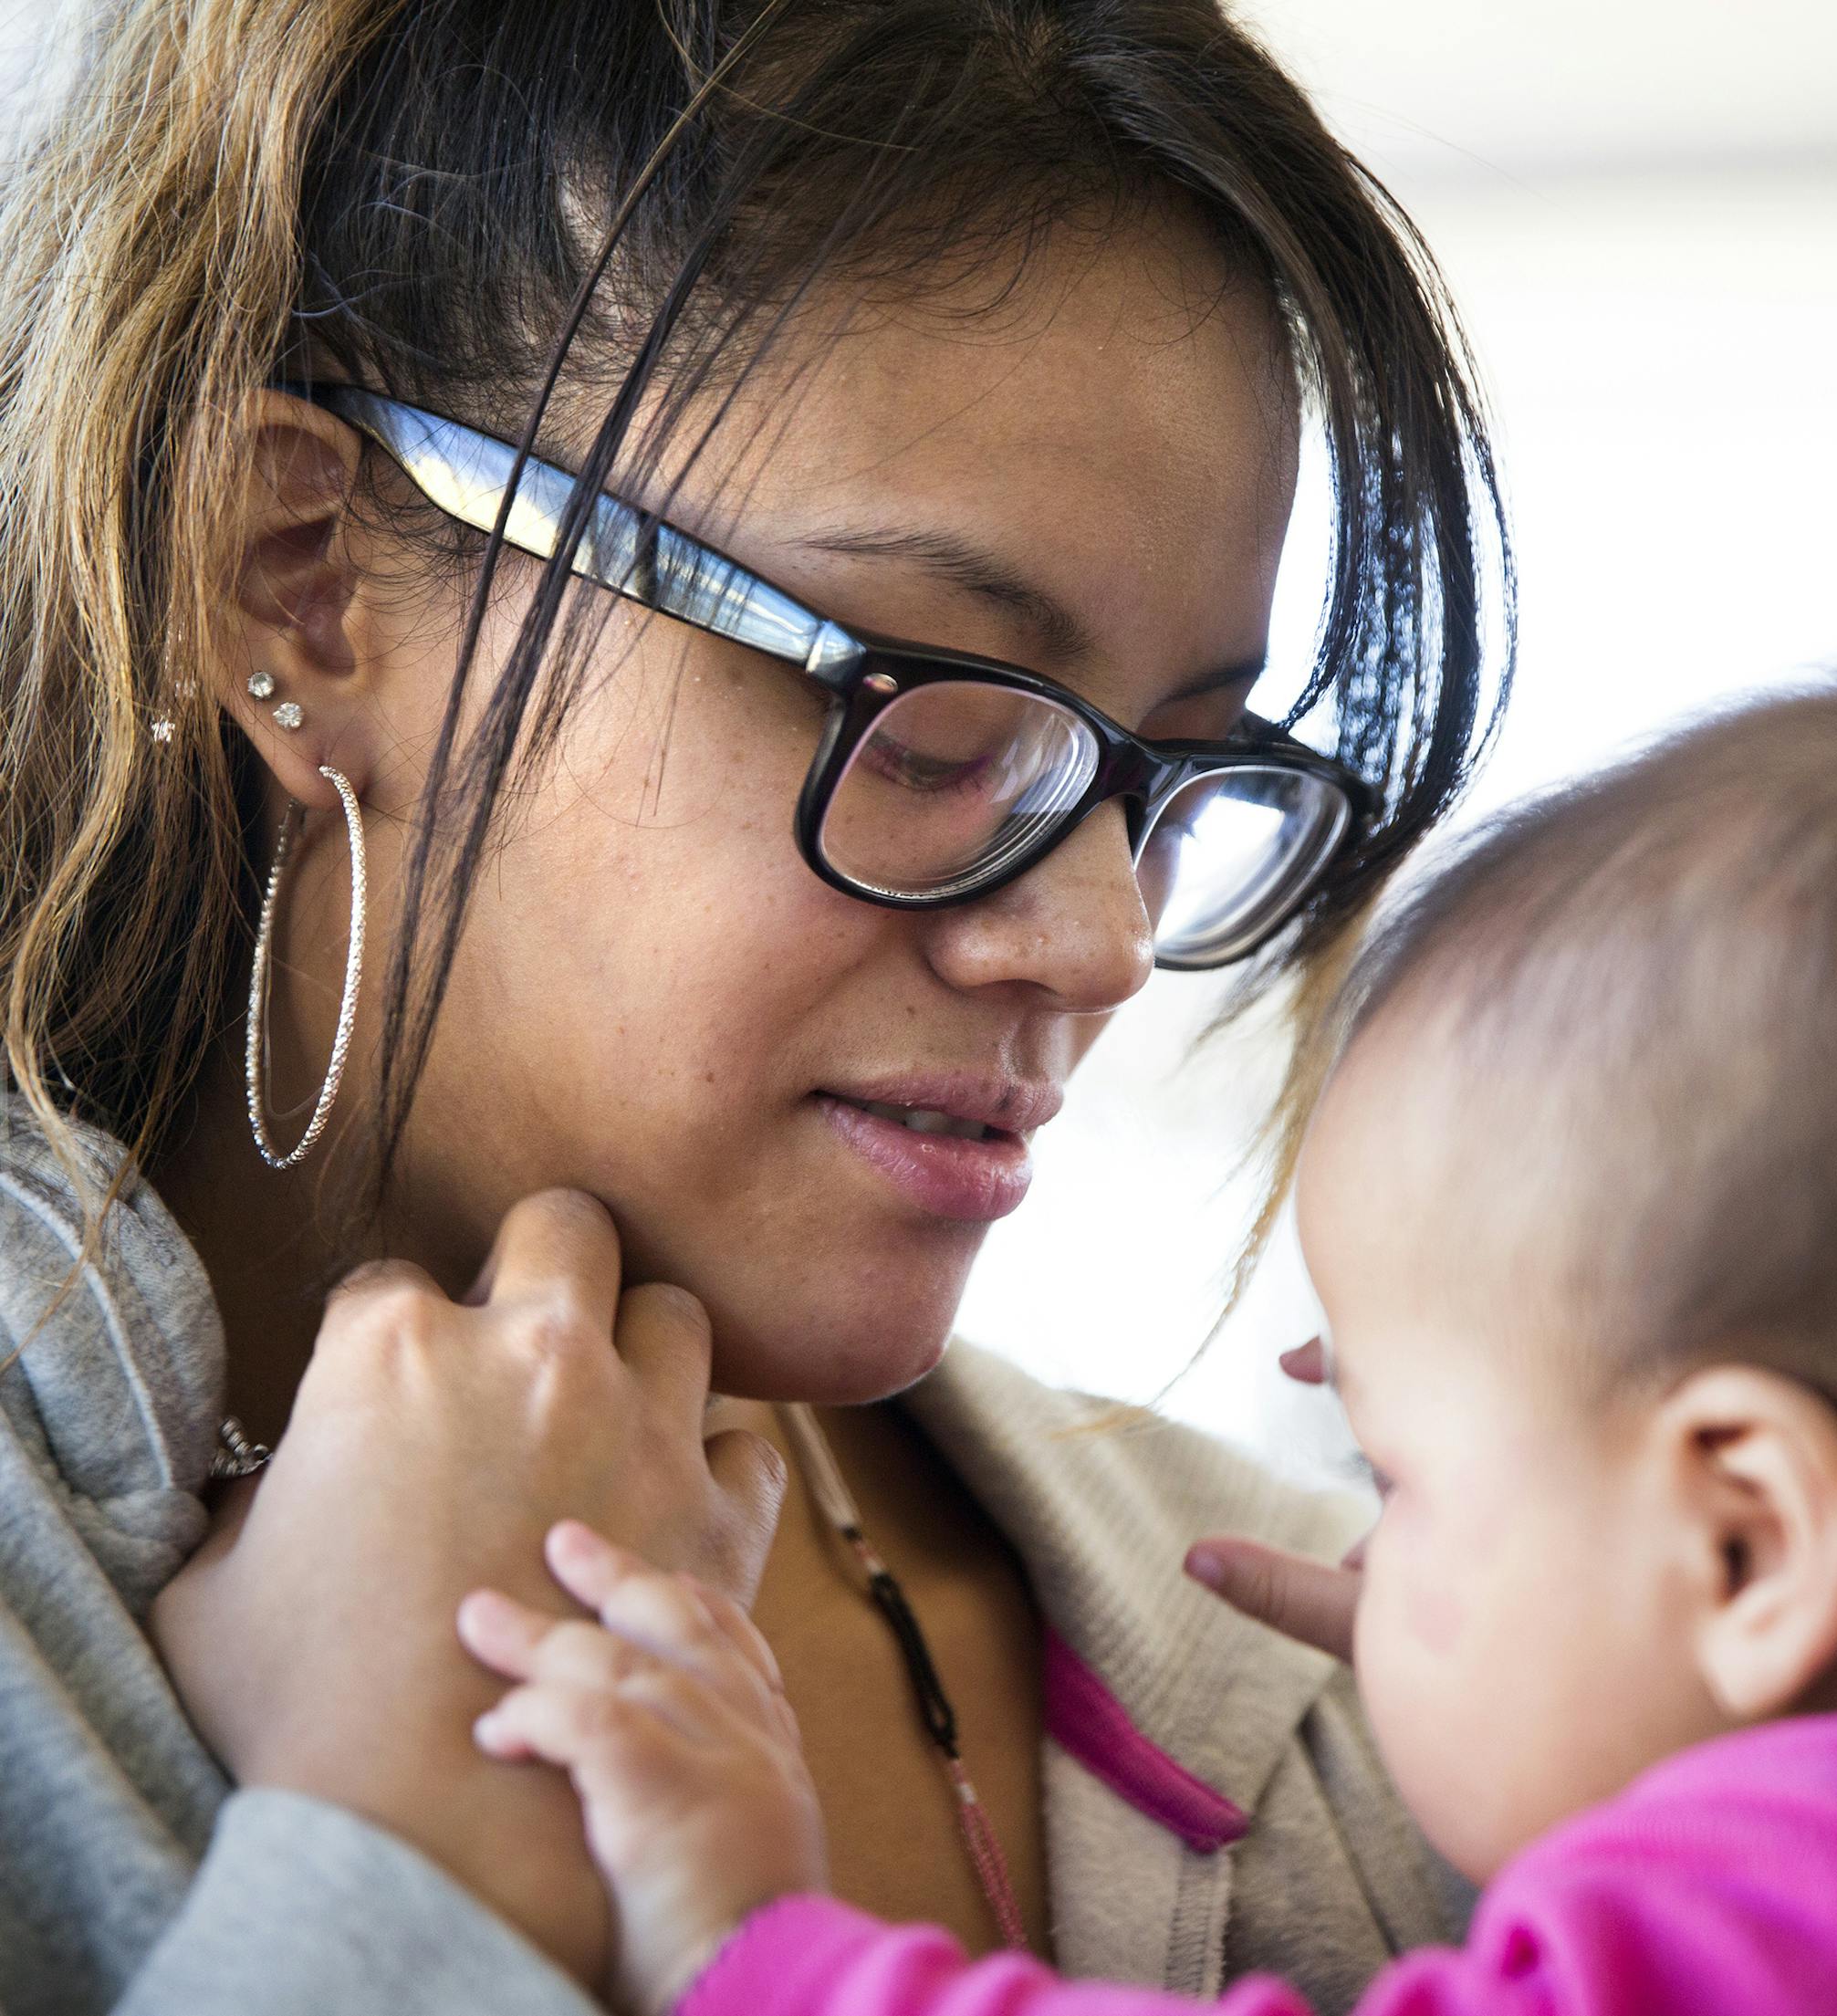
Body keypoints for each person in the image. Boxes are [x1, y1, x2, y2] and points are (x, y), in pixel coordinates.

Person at [0, 2, 1513, 2012]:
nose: (1095, 944)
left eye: (1169, 774)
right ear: (302, 584)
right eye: (932, 715)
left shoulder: (1397, 1699)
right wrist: (404, 1870)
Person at [467, 669, 1837, 2016]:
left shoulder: (1804, 1915)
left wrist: (757, 1946)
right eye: (939, 736)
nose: (1114, 943)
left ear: (1746, 1545)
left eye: (1398, 1478)